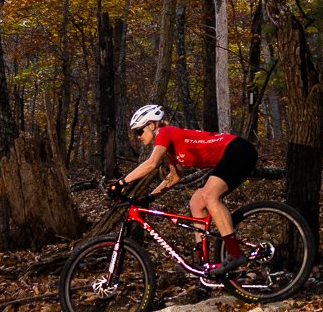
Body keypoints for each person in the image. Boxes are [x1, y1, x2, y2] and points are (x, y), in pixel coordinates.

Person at [110, 104, 258, 277]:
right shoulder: (171, 147)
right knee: (196, 201)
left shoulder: (164, 132)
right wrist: (150, 197)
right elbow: (174, 176)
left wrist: (121, 183)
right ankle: (200, 260)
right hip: (235, 154)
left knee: (209, 195)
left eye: (139, 132)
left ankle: (234, 253)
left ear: (151, 125)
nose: (138, 137)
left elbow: (151, 164)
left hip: (238, 151)